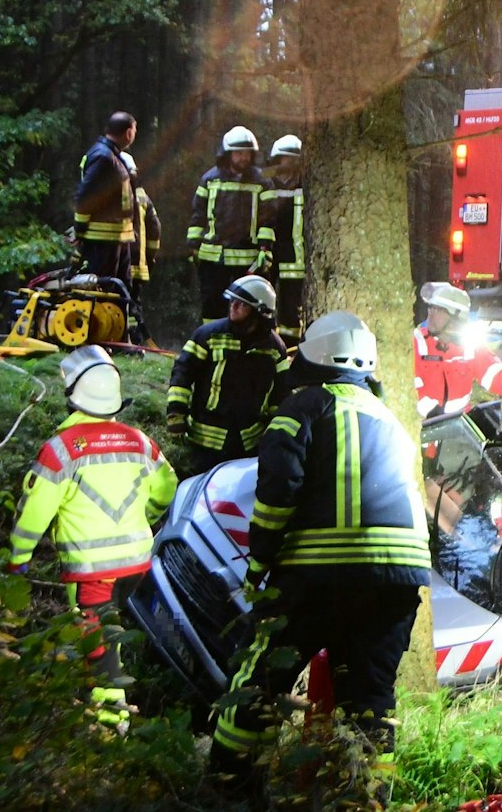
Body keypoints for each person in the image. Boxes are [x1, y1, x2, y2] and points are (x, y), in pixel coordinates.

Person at [209, 311, 430, 798]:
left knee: (259, 678)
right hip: (399, 579)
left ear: (313, 357)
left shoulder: (302, 407)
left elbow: (277, 491)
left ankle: (228, 786)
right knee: (371, 701)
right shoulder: (389, 417)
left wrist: (259, 563)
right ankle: (366, 800)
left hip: (316, 576)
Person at [9, 345, 178, 731]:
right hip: (137, 564)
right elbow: (168, 489)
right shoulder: (140, 442)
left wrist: (18, 559)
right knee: (109, 634)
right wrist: (146, 517)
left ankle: (109, 727)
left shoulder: (61, 450)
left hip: (91, 572)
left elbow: (33, 514)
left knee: (99, 648)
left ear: (72, 395)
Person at [165, 275, 289, 479]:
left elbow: (281, 392)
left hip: (250, 445)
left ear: (260, 311)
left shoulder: (274, 348)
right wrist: (176, 413)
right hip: (205, 444)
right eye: (232, 301)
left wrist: (274, 430)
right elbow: (182, 374)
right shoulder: (208, 336)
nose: (234, 307)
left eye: (242, 304)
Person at [187, 126, 273, 323]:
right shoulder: (210, 179)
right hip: (213, 256)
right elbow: (198, 214)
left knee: (246, 306)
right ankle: (212, 338)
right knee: (212, 304)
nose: (244, 157)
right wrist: (193, 246)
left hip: (247, 258)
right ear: (227, 153)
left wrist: (265, 248)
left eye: (247, 153)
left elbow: (268, 218)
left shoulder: (262, 182)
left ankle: (242, 339)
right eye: (239, 153)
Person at [412, 281, 502, 418]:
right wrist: (427, 410)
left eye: (438, 310)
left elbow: (494, 372)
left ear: (456, 317)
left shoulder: (470, 346)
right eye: (431, 308)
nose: (430, 314)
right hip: (422, 424)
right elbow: (408, 387)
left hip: (459, 423)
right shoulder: (416, 343)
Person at [73, 112, 138, 285]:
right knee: (104, 291)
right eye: (134, 130)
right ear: (128, 133)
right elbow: (85, 197)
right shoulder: (103, 157)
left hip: (115, 239)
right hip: (102, 240)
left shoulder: (111, 156)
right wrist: (80, 229)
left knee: (120, 290)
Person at [262, 134, 305, 332]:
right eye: (286, 158)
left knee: (291, 307)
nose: (290, 163)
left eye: (294, 159)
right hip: (269, 253)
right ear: (277, 159)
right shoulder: (265, 183)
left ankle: (290, 344)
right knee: (264, 303)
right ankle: (267, 340)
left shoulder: (307, 184)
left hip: (296, 255)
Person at [119, 151, 162, 305]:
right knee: (132, 305)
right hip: (138, 267)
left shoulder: (111, 196)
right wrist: (149, 259)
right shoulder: (143, 197)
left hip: (115, 264)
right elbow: (155, 230)